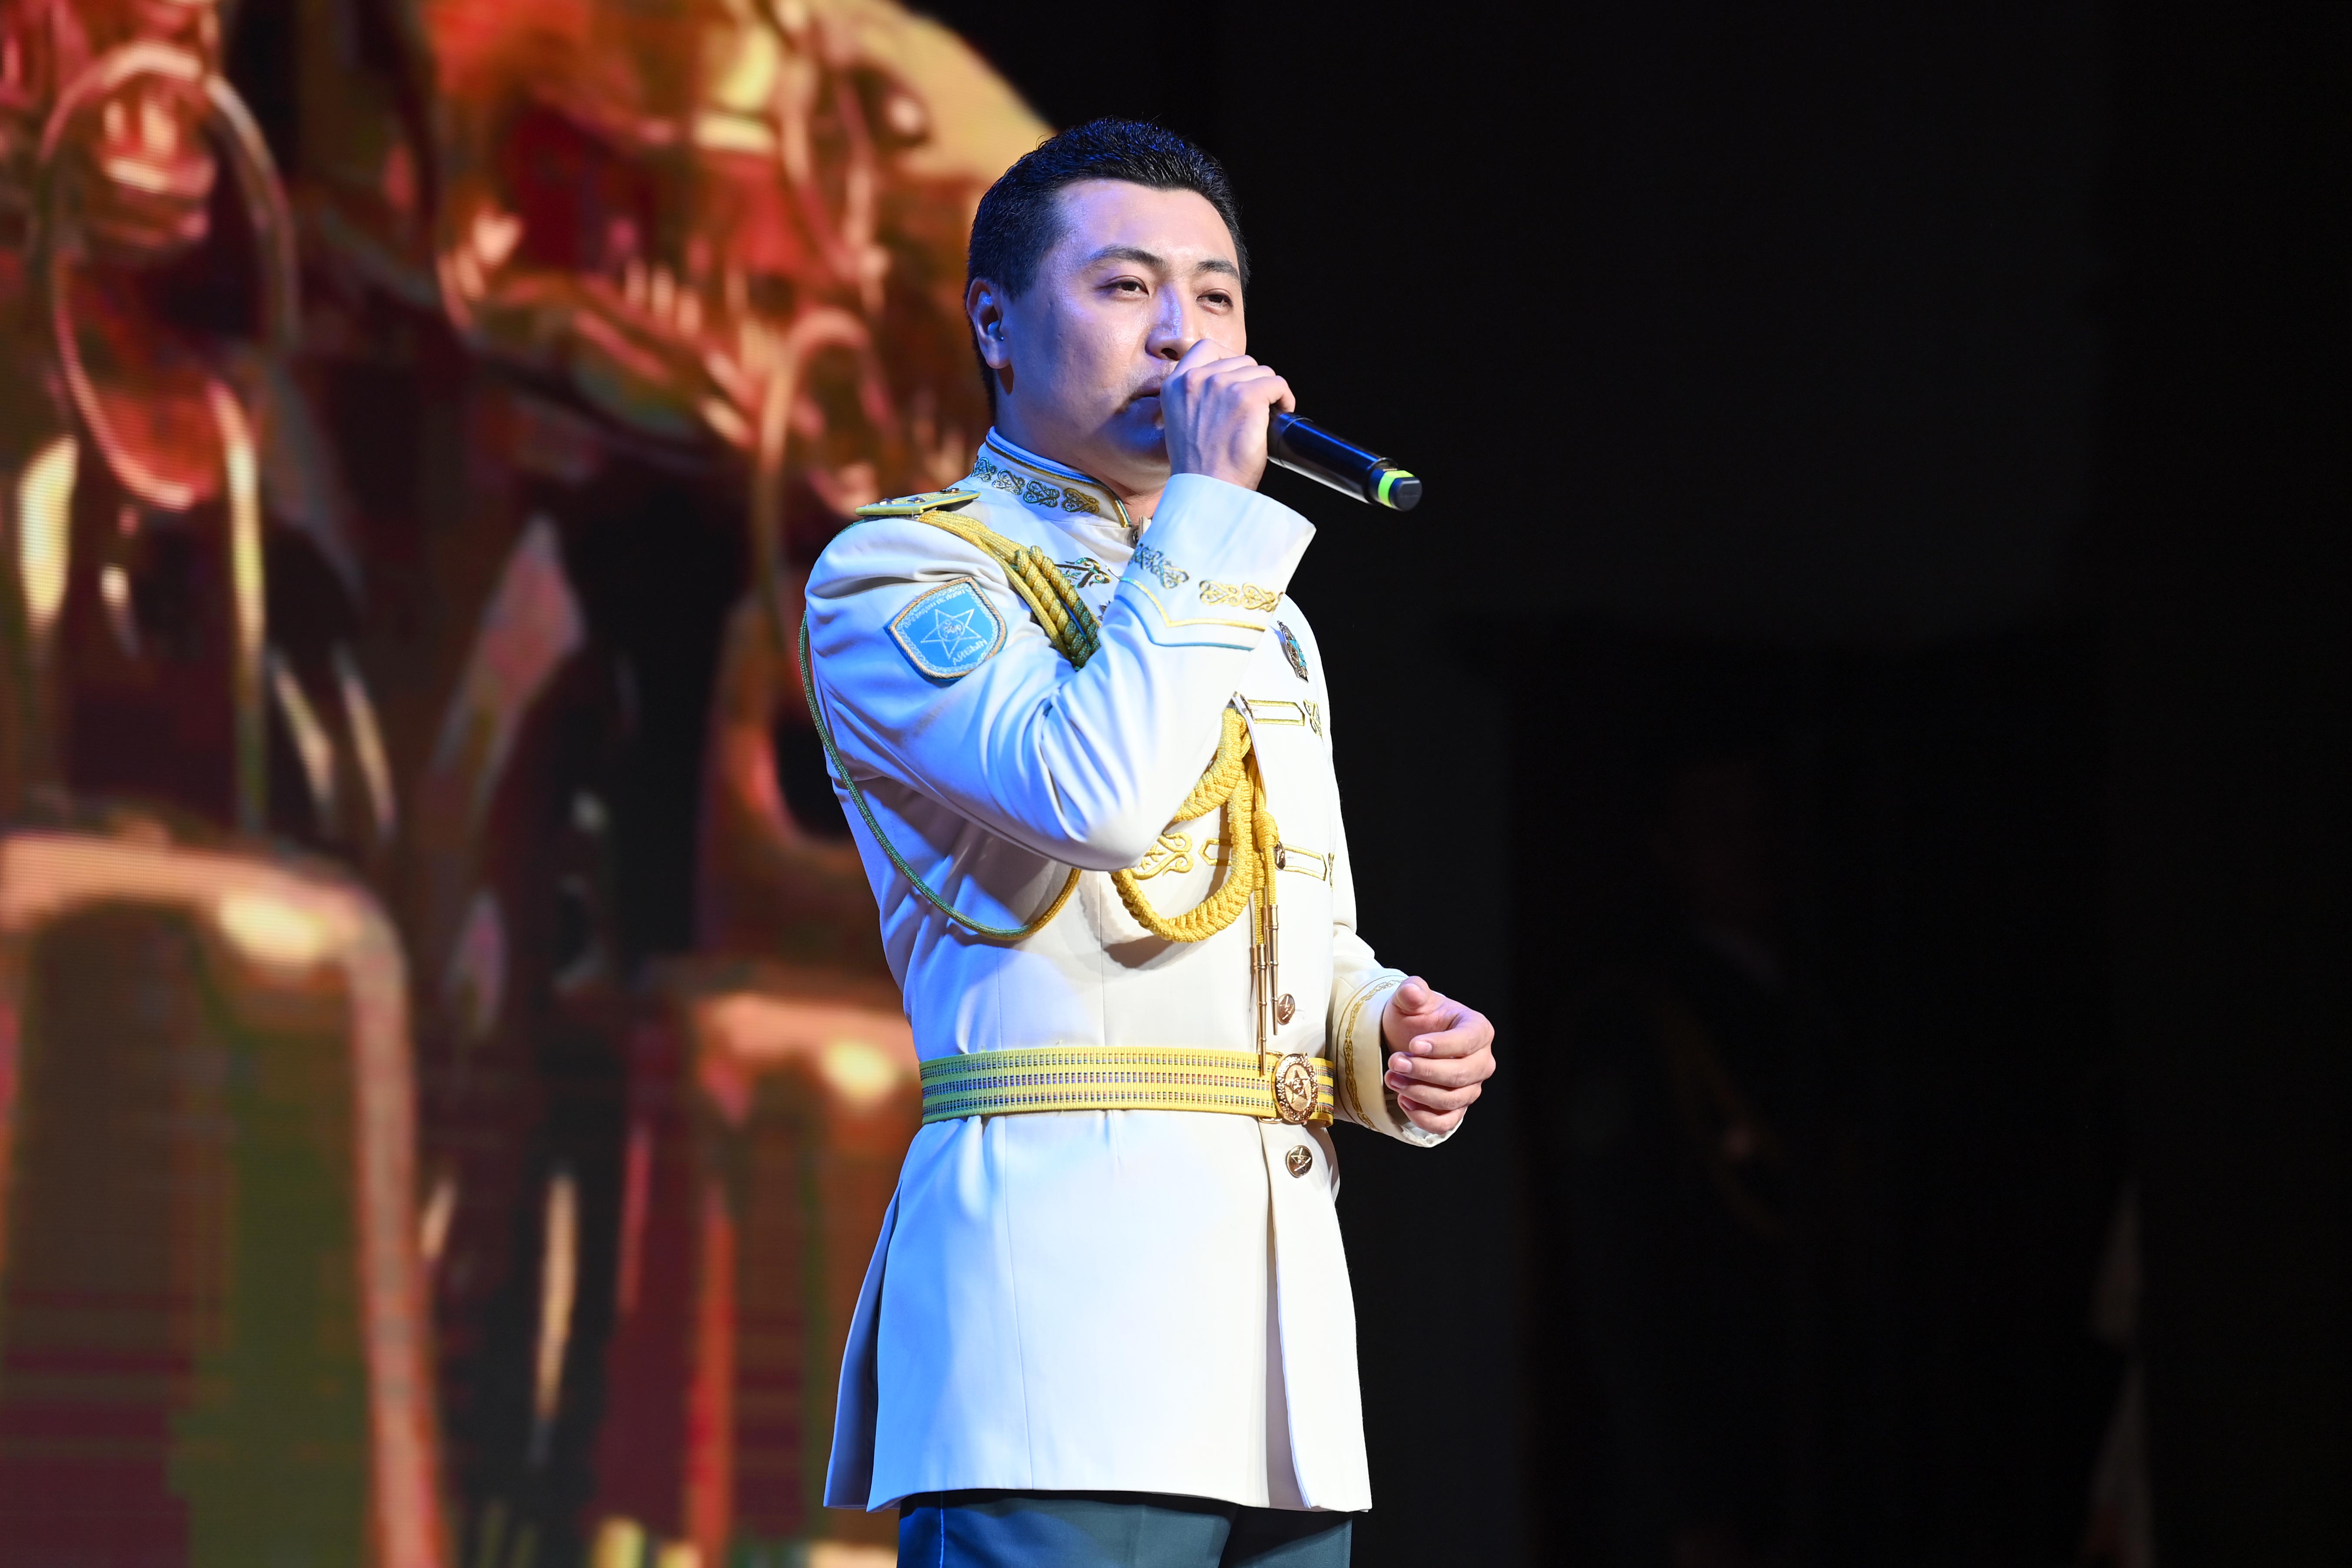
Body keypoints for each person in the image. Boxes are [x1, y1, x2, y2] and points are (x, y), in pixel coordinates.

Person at [801, 119, 1498, 1567]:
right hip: (1059, 1335)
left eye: (1216, 295)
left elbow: (1293, 933)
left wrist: (1379, 1029)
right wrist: (1213, 518)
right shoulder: (906, 569)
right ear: (996, 324)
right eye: (1127, 287)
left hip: (1276, 1350)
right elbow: (1096, 797)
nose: (1183, 334)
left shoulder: (1257, 611)